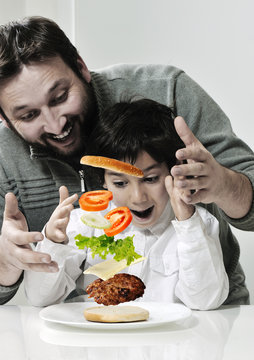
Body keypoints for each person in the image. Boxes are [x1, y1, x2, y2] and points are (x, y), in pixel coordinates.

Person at [0, 16, 253, 304]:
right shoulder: (6, 159)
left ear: (82, 68)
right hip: (82, 332)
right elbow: (34, 294)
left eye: (60, 97)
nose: (56, 125)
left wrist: (223, 184)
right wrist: (6, 262)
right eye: (28, 115)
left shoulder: (169, 91)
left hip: (209, 325)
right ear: (4, 119)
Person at [24, 99, 230, 310]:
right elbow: (40, 298)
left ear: (174, 171)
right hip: (101, 339)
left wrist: (188, 224)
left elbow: (206, 301)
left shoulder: (198, 225)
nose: (138, 197)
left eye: (150, 179)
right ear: (103, 181)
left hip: (168, 340)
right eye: (121, 183)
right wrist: (53, 242)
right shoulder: (85, 224)